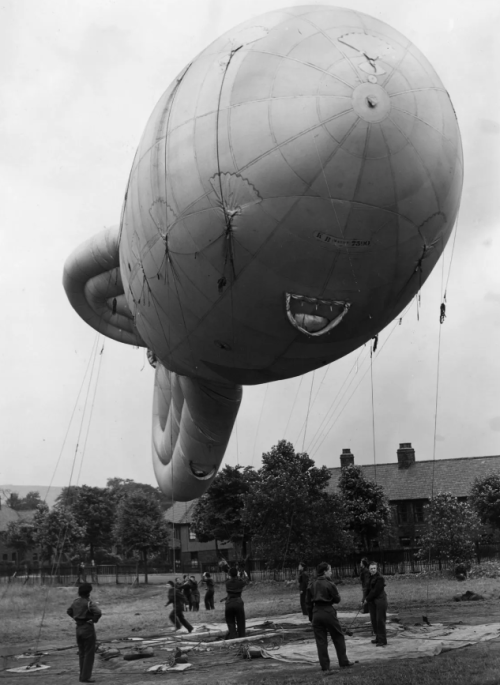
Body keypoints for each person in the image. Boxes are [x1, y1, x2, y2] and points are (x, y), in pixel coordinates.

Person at [306, 562, 354, 674]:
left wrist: (311, 617)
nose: (331, 572)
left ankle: (325, 667)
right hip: (328, 611)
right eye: (330, 570)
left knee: (321, 641)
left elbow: (308, 603)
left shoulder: (311, 584)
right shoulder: (329, 584)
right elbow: (337, 599)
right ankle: (343, 661)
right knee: (338, 636)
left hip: (316, 612)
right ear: (325, 571)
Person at [66, 582, 102, 683]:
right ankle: (86, 677)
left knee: (82, 653)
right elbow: (98, 612)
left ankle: (82, 675)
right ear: (88, 593)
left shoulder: (75, 601)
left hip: (78, 628)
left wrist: (76, 618)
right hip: (87, 628)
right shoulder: (88, 602)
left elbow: (69, 611)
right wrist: (93, 620)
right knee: (89, 653)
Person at [363, 561, 388, 646]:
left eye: (374, 568)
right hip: (372, 602)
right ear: (369, 569)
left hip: (380, 601)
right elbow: (366, 589)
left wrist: (367, 599)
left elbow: (375, 591)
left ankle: (382, 640)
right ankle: (378, 637)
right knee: (374, 620)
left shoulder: (380, 578)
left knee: (380, 620)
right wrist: (364, 598)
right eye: (371, 568)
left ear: (377, 569)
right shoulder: (369, 577)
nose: (373, 570)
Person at [223, 566, 247, 639]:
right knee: (241, 620)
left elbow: (229, 579)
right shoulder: (240, 582)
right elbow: (246, 581)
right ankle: (242, 636)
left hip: (229, 602)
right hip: (238, 602)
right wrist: (242, 575)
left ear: (230, 574)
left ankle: (233, 636)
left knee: (230, 621)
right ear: (237, 574)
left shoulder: (227, 583)